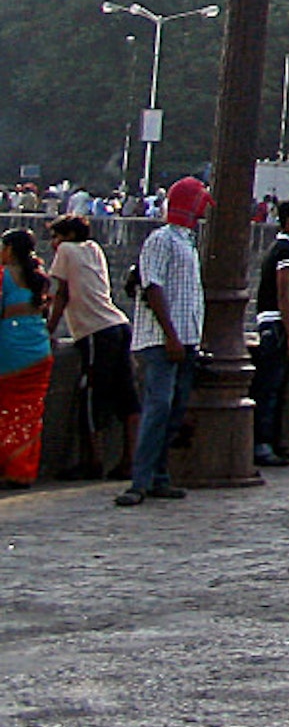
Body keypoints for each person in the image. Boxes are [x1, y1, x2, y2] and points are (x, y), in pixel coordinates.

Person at [118, 174, 208, 507]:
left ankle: (158, 476)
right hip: (162, 339)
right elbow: (152, 287)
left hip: (184, 338)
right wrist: (170, 335)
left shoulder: (186, 241)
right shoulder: (162, 240)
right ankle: (140, 480)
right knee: (158, 408)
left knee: (172, 410)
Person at [49, 214, 130, 478]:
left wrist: (48, 330)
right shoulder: (93, 248)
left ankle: (93, 461)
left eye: (56, 236)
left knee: (91, 398)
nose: (53, 242)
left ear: (69, 236)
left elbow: (61, 294)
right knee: (126, 395)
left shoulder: (66, 250)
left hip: (96, 331)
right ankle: (129, 460)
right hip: (118, 324)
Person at [247, 195, 289, 469]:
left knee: (273, 387)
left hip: (273, 322)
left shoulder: (282, 248)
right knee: (271, 387)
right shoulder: (286, 251)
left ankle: (265, 442)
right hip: (277, 324)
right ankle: (262, 444)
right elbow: (283, 293)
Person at [0, 229, 50, 487]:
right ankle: (23, 470)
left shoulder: (3, 277)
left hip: (11, 350)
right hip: (40, 350)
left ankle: (8, 468)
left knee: (6, 410)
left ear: (9, 250)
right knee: (30, 413)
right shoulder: (38, 278)